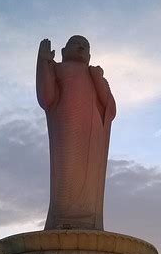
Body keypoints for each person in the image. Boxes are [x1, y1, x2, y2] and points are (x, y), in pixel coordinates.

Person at [36, 36, 116, 231]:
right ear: (64, 51)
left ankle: (89, 216)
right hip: (67, 126)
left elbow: (111, 109)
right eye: (76, 44)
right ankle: (63, 217)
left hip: (93, 133)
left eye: (86, 47)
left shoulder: (93, 74)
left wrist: (98, 79)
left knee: (90, 173)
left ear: (89, 56)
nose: (81, 48)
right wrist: (43, 63)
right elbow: (47, 97)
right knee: (68, 169)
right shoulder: (58, 69)